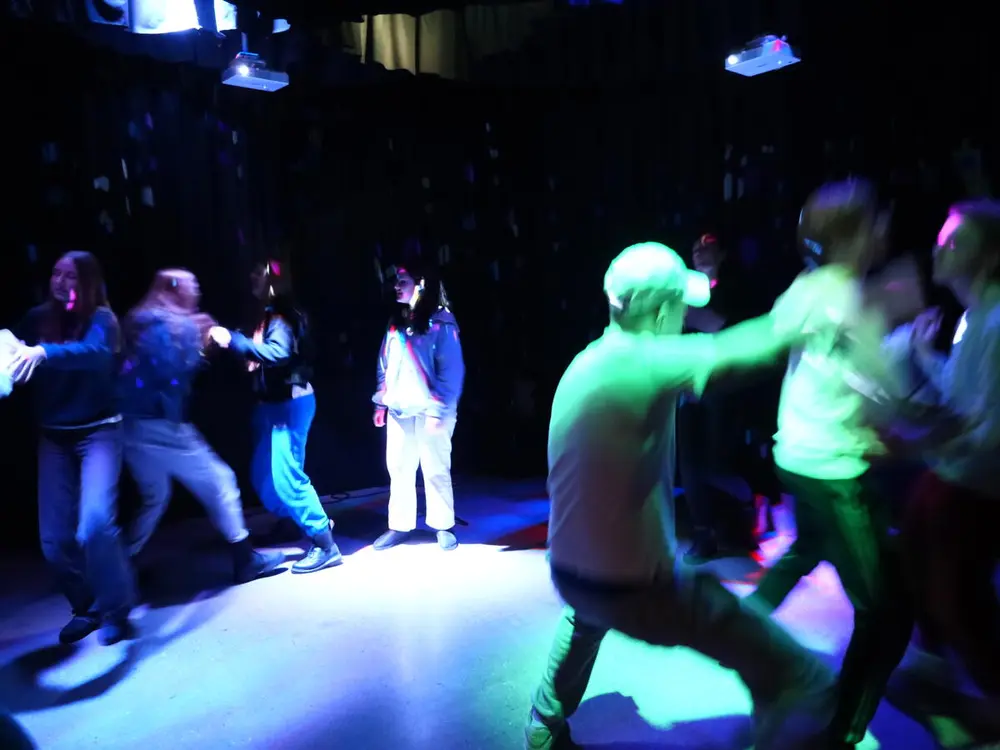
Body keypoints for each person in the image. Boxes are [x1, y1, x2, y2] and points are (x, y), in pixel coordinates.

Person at [525, 241, 836, 750]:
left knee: (585, 620)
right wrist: (823, 294)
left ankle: (542, 725)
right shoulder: (647, 361)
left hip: (571, 572)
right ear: (661, 314)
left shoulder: (586, 363)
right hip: (632, 585)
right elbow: (750, 347)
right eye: (682, 310)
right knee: (801, 676)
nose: (686, 319)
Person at [742, 181, 915, 748]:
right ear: (855, 233)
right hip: (832, 469)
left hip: (797, 453)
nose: (885, 229)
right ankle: (840, 731)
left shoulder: (810, 286)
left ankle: (737, 630)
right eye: (877, 221)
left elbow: (781, 341)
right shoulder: (850, 299)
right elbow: (883, 392)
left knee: (809, 546)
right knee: (887, 612)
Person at [887, 201, 1000, 732]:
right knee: (916, 550)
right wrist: (923, 353)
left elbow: (990, 431)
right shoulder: (975, 317)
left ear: (991, 256)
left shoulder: (995, 322)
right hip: (957, 473)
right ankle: (931, 667)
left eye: (955, 242)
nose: (938, 249)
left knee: (960, 596)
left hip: (978, 485)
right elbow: (961, 393)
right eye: (940, 238)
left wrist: (923, 441)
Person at [120, 269, 284, 583]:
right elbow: (170, 373)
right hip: (160, 423)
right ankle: (245, 559)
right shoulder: (169, 324)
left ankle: (119, 563)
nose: (196, 290)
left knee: (154, 495)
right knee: (222, 482)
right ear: (173, 290)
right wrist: (199, 340)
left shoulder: (144, 320)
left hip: (131, 426)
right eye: (190, 285)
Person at [6, 251, 136, 645]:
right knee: (54, 543)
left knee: (94, 526)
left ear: (88, 282)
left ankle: (116, 608)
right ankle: (87, 606)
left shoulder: (102, 320)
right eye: (56, 273)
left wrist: (44, 352)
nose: (61, 282)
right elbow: (10, 350)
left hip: (99, 432)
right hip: (55, 436)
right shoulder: (37, 318)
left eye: (71, 276)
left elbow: (94, 354)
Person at [208, 259, 342, 574]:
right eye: (252, 271)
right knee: (263, 477)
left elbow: (279, 353)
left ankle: (325, 542)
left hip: (289, 405)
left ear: (273, 279)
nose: (252, 277)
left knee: (286, 477)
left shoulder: (281, 316)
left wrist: (233, 340)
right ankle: (292, 519)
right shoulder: (268, 314)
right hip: (272, 405)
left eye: (259, 272)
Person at [678, 233, 762, 562]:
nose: (699, 251)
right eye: (695, 247)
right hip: (690, 387)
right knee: (690, 464)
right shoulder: (684, 290)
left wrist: (707, 321)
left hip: (724, 389)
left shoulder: (735, 290)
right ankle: (704, 534)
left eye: (707, 245)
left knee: (718, 462)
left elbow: (738, 332)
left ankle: (738, 526)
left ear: (723, 253)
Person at [371, 264, 465, 551]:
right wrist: (381, 400)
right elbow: (385, 361)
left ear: (420, 283)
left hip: (430, 411)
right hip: (400, 408)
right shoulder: (397, 320)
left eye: (403, 281)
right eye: (396, 281)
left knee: (435, 468)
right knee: (399, 468)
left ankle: (443, 524)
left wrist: (439, 411)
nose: (396, 286)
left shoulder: (442, 321)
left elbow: (451, 371)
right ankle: (400, 525)